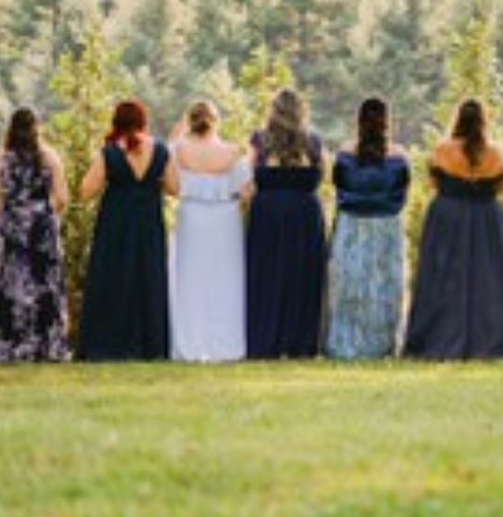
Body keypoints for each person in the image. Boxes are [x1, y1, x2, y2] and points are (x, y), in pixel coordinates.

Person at [404, 98, 503, 360]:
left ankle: (439, 336)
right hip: (487, 218)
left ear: (457, 119)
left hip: (448, 217)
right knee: (492, 278)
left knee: (445, 278)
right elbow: (499, 186)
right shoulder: (495, 152)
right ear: (483, 121)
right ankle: (493, 338)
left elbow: (434, 184)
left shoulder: (443, 150)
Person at [77, 99, 176, 361]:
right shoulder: (160, 150)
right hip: (149, 223)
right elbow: (175, 187)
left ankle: (110, 343)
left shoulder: (110, 152)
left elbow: (86, 191)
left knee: (113, 280)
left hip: (116, 224)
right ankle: (149, 344)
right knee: (148, 278)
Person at [0, 107, 69, 362]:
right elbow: (62, 197)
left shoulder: (2, 158)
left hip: (12, 225)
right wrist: (49, 215)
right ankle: (47, 347)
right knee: (45, 286)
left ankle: (6, 348)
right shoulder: (49, 157)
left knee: (9, 286)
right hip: (42, 225)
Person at [325, 97, 412, 360]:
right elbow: (403, 192)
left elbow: (338, 186)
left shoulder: (344, 155)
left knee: (350, 286)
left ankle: (347, 343)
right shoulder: (399, 156)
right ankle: (383, 344)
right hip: (386, 226)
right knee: (385, 287)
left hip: (353, 224)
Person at [245, 87, 326, 359]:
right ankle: (300, 341)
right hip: (304, 213)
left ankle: (266, 338)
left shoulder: (260, 141)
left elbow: (248, 177)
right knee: (302, 276)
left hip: (268, 212)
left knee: (266, 275)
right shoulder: (313, 142)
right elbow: (321, 176)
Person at [168, 100, 249, 362]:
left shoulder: (178, 150)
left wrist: (178, 133)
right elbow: (246, 190)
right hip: (225, 219)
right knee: (225, 280)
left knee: (190, 279)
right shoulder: (234, 152)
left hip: (191, 215)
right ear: (217, 121)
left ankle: (189, 341)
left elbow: (168, 181)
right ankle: (225, 342)